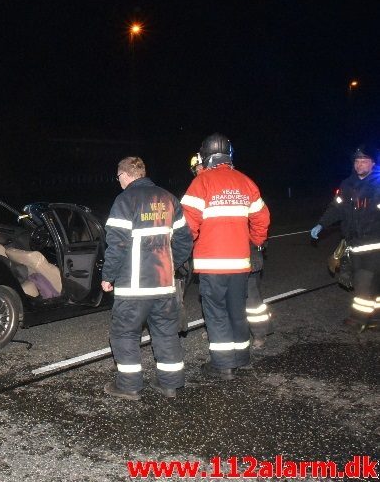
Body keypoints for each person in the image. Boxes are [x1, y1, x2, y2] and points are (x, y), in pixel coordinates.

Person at [101, 156, 193, 399]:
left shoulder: (125, 200)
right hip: (164, 284)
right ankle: (170, 384)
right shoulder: (169, 198)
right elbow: (185, 239)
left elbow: (117, 244)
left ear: (126, 175)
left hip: (133, 288)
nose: (118, 181)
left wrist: (108, 276)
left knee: (124, 333)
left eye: (119, 176)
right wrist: (171, 265)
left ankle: (129, 385)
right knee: (165, 332)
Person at [181, 133, 270, 380]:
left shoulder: (201, 183)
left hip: (212, 265)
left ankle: (222, 365)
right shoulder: (245, 182)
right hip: (241, 263)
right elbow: (262, 218)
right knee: (236, 311)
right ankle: (242, 358)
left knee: (216, 313)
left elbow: (187, 224)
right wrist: (256, 240)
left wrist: (183, 249)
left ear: (206, 156)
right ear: (229, 155)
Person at [311, 146, 380, 332]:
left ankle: (358, 320)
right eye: (357, 161)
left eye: (364, 161)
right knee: (373, 283)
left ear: (373, 163)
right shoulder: (347, 184)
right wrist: (321, 224)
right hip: (354, 243)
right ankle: (375, 318)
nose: (359, 164)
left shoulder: (378, 184)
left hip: (375, 243)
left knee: (363, 281)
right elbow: (336, 208)